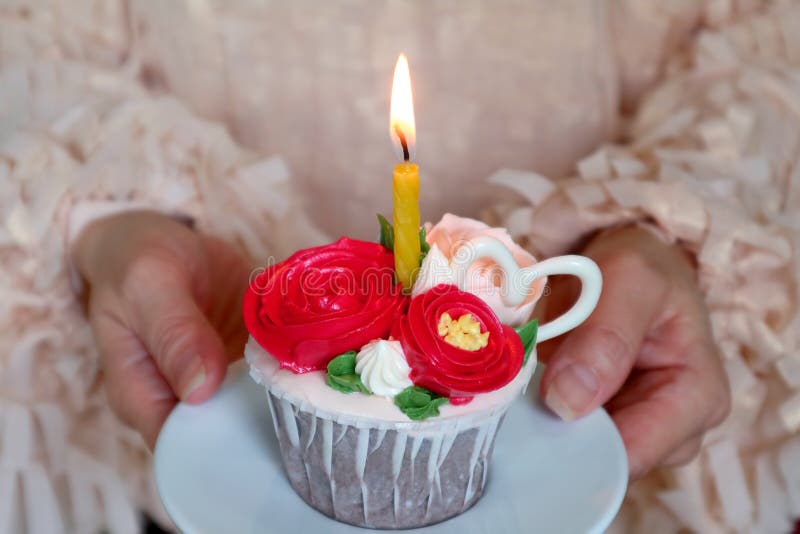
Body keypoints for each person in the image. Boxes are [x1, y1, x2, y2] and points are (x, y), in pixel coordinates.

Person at [1, 1, 797, 533]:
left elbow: (761, 33)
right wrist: (114, 213)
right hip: (174, 472)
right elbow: (33, 31)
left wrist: (662, 224)